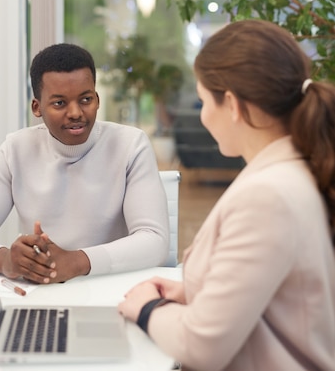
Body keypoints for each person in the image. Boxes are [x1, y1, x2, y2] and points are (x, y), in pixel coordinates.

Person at [118, 19, 335, 371]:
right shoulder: (288, 171)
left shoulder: (269, 196)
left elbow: (202, 346)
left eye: (204, 101)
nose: (202, 116)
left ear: (232, 104)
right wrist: (190, 291)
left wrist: (145, 309)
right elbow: (273, 286)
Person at [0, 43, 169, 284]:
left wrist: (75, 262)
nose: (75, 112)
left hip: (111, 289)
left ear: (97, 98)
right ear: (37, 107)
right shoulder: (16, 149)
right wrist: (5, 260)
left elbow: (154, 241)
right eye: (59, 103)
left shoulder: (130, 145)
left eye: (85, 99)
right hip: (40, 294)